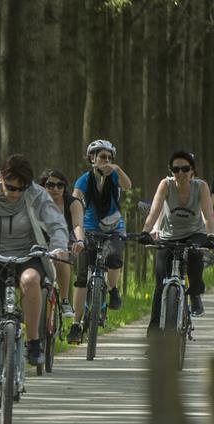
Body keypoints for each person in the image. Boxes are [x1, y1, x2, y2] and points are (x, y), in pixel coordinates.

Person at [0, 154, 69, 420]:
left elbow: (56, 223)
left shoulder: (37, 194)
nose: (16, 193)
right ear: (1, 179)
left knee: (31, 281)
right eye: (11, 187)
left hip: (27, 255)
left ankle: (33, 342)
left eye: (21, 188)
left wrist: (59, 247)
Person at [68, 139, 133, 343]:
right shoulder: (84, 180)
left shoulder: (114, 175)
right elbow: (75, 200)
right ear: (92, 158)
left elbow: (128, 186)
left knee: (114, 256)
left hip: (114, 227)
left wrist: (117, 168)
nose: (106, 160)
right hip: (89, 228)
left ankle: (113, 290)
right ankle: (76, 325)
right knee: (80, 278)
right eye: (102, 156)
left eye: (109, 157)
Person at [141, 149, 214, 320]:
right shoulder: (165, 185)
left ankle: (195, 293)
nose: (180, 173)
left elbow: (209, 215)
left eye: (185, 169)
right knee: (160, 287)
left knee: (196, 256)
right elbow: (154, 211)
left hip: (194, 233)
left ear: (192, 171)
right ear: (171, 171)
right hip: (169, 235)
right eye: (176, 169)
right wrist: (146, 231)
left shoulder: (201, 187)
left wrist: (211, 236)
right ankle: (154, 337)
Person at [39, 168, 85, 319]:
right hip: (39, 241)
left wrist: (79, 241)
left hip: (64, 241)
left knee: (62, 257)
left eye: (60, 185)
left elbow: (78, 225)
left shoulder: (73, 203)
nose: (55, 189)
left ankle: (65, 300)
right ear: (43, 186)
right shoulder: (35, 202)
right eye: (50, 185)